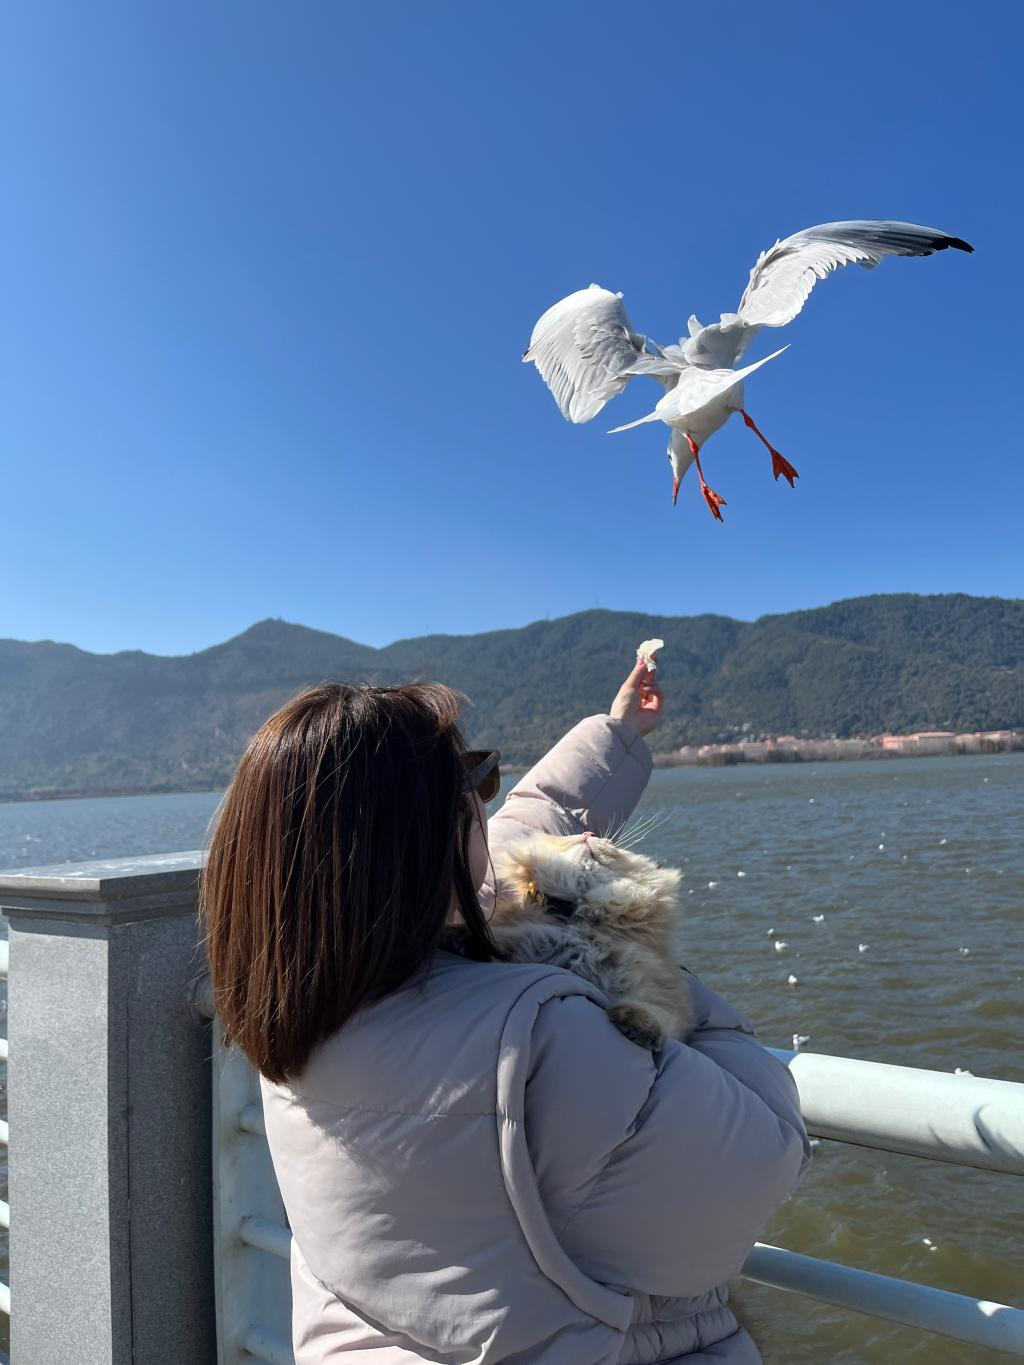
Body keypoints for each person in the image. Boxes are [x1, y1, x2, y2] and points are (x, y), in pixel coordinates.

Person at [202, 658, 810, 1364]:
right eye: (473, 783)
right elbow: (761, 1164)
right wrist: (643, 963)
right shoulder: (545, 1042)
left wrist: (615, 732)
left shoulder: (300, 1010)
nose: (488, 810)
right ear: (424, 843)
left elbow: (516, 837)